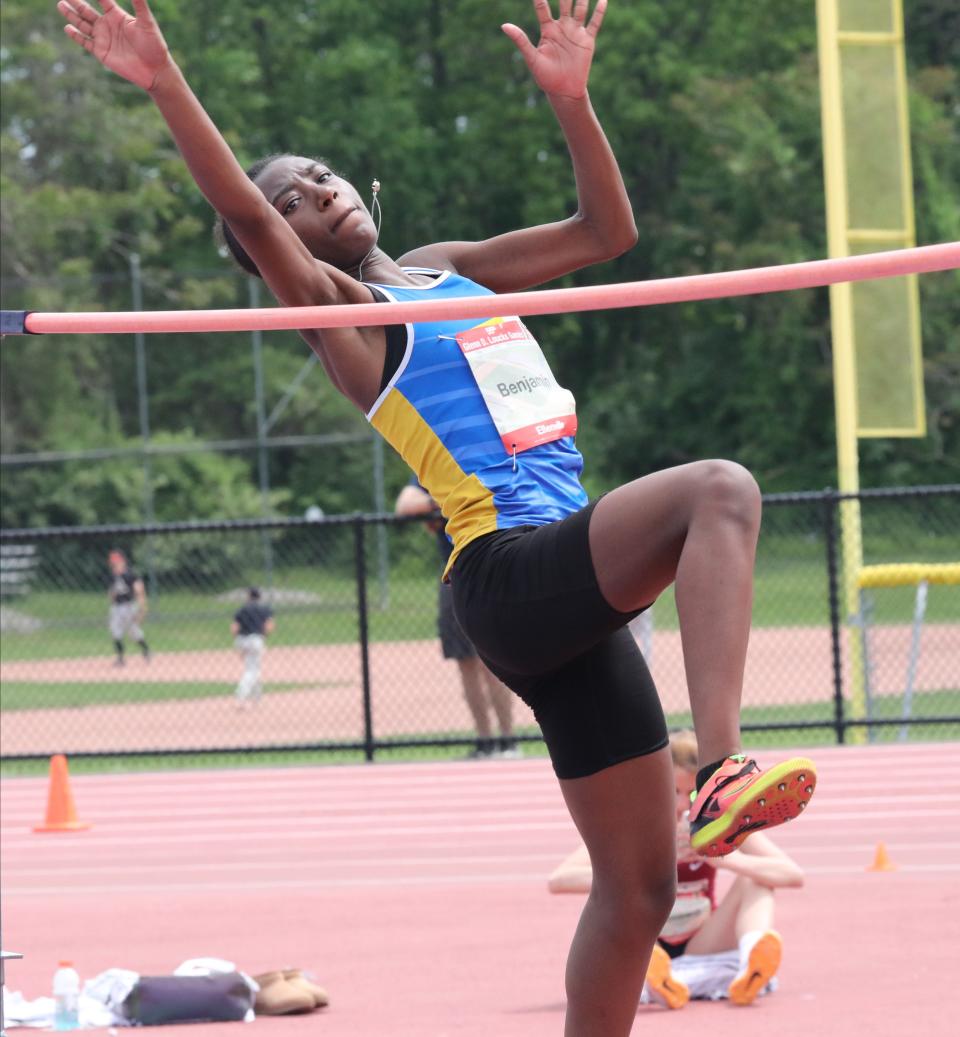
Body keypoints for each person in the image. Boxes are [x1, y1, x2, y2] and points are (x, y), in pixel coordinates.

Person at [59, 2, 817, 1032]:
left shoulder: (448, 267)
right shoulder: (341, 315)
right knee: (719, 489)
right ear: (285, 242)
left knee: (637, 888)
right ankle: (723, 765)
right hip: (508, 567)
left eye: (323, 175)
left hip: (560, 591)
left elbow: (608, 232)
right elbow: (244, 211)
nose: (317, 193)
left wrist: (573, 102)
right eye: (297, 199)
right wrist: (163, 81)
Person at [548, 730, 804, 1009]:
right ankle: (657, 976)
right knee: (612, 893)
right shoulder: (634, 825)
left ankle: (752, 963)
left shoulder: (718, 823)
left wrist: (724, 859)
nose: (683, 805)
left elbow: (791, 874)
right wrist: (647, 866)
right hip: (650, 940)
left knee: (754, 881)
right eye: (674, 792)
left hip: (702, 941)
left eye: (693, 795)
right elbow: (560, 879)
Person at [395, 479, 518, 760]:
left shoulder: (485, 467)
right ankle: (485, 740)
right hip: (453, 575)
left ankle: (509, 739)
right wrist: (441, 500)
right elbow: (404, 505)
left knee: (494, 662)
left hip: (490, 568)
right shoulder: (439, 470)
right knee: (466, 663)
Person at [231, 586, 275, 709]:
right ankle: (240, 698)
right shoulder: (264, 609)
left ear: (249, 596)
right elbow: (269, 626)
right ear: (260, 596)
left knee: (254, 668)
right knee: (252, 670)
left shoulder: (242, 609)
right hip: (256, 639)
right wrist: (263, 637)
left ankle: (257, 699)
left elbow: (234, 628)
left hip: (242, 639)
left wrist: (238, 644)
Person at [106, 548, 150, 666]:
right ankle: (120, 658)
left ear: (123, 562)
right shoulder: (113, 576)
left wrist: (142, 608)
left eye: (116, 562)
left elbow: (139, 590)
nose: (114, 565)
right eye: (112, 563)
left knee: (133, 632)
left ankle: (146, 650)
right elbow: (111, 594)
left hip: (129, 606)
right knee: (115, 631)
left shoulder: (130, 575)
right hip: (116, 608)